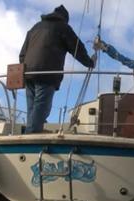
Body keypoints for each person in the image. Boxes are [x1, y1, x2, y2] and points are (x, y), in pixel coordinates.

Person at [19, 5, 95, 133]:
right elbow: (76, 48)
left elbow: (22, 54)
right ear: (65, 18)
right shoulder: (62, 27)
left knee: (32, 109)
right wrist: (89, 62)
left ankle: (33, 132)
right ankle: (31, 135)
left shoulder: (35, 28)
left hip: (28, 73)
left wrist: (24, 70)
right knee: (42, 108)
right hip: (46, 74)